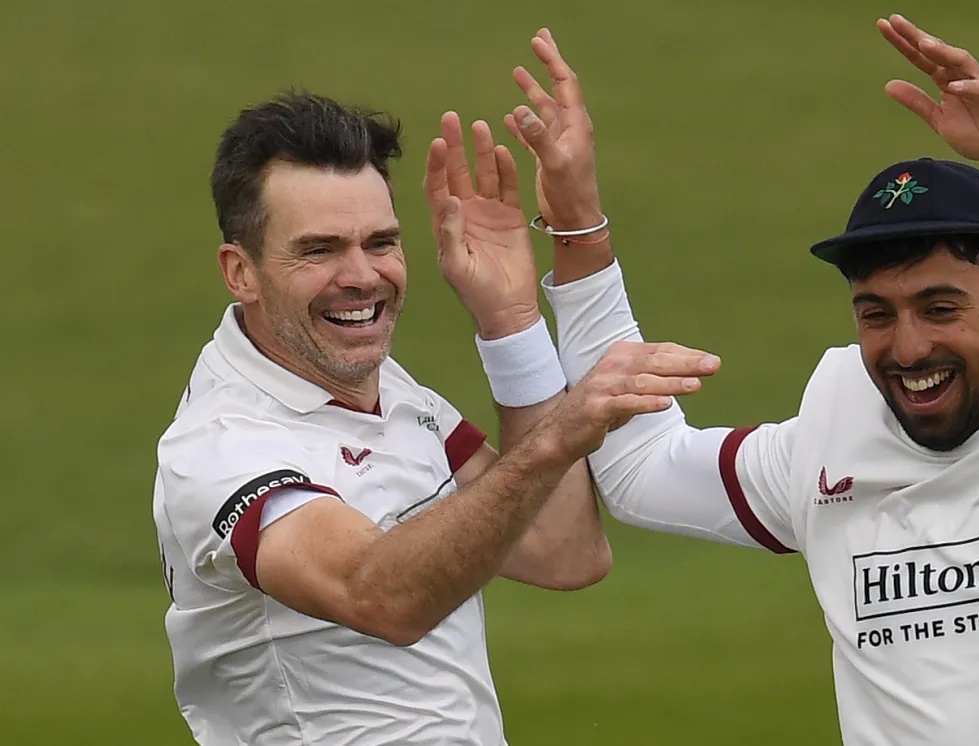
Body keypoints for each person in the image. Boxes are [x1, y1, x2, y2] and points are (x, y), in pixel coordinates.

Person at [506, 18, 979, 746]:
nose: (908, 348)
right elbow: (641, 471)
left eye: (940, 308)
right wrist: (579, 233)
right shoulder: (836, 427)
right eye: (876, 313)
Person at [151, 90, 716, 744]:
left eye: (381, 242)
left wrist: (512, 326)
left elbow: (563, 552)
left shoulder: (382, 387)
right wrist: (558, 437)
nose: (362, 275)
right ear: (240, 272)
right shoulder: (222, 447)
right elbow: (381, 597)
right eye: (320, 250)